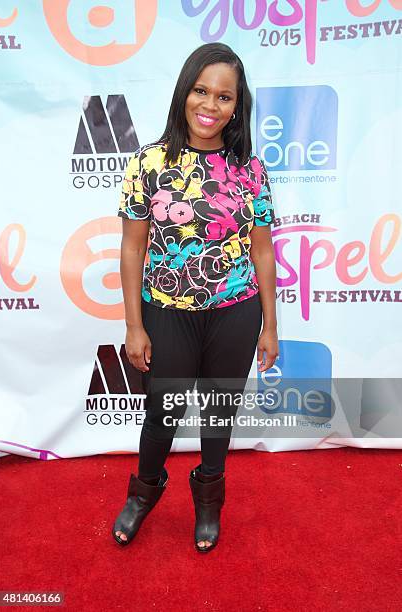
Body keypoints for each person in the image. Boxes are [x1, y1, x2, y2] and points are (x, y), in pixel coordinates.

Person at [112, 42, 278, 553]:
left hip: (235, 312)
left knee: (218, 413)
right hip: (166, 313)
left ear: (237, 105)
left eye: (224, 96)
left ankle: (208, 500)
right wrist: (134, 326)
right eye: (201, 91)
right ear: (185, 92)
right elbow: (132, 246)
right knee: (162, 412)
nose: (211, 105)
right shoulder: (148, 162)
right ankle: (143, 493)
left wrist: (269, 325)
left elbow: (264, 251)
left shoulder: (249, 168)